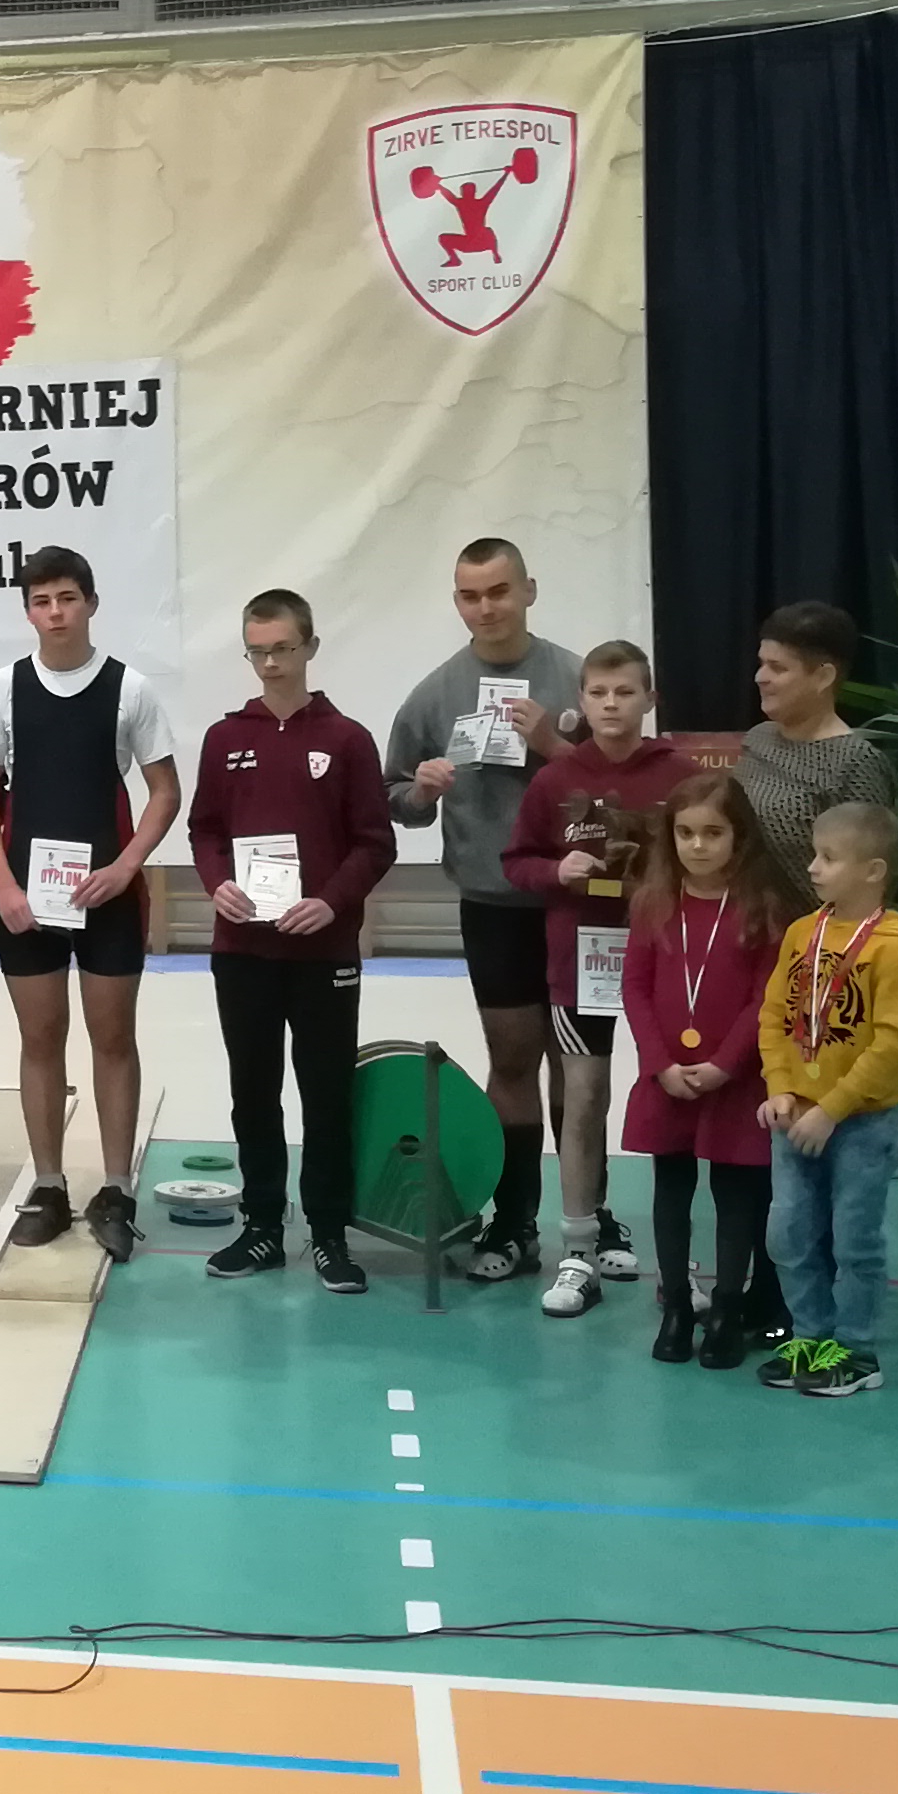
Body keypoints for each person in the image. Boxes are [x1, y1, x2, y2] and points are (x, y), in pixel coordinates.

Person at [0, 546, 182, 1259]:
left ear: (90, 602)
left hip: (107, 896)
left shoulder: (130, 689)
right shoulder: (2, 688)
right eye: (41, 601)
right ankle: (50, 1185)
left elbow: (165, 792)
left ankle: (116, 1188)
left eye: (66, 598)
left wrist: (126, 866)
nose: (55, 613)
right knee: (40, 1039)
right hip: (27, 901)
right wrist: (3, 885)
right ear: (27, 611)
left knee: (113, 1039)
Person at [382, 537, 589, 1284]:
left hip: (578, 903)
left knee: (581, 1067)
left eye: (499, 591)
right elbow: (392, 796)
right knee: (512, 1061)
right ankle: (515, 1220)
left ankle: (590, 1219)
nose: (486, 607)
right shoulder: (435, 693)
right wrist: (421, 791)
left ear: (528, 590)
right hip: (493, 904)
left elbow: (626, 782)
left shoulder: (577, 678)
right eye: (470, 596)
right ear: (457, 602)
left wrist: (554, 747)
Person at [184, 589, 396, 1287]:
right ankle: (263, 1227)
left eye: (282, 648)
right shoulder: (224, 739)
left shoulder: (347, 739)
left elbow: (376, 842)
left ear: (310, 647)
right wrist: (217, 882)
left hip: (322, 952)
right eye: (258, 651)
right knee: (253, 1093)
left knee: (326, 1094)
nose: (271, 663)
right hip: (242, 950)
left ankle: (329, 1233)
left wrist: (330, 903)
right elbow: (205, 830)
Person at [497, 640, 697, 1318]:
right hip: (581, 964)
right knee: (582, 1097)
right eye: (599, 693)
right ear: (581, 701)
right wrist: (557, 871)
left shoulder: (681, 775)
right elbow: (517, 861)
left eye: (625, 692)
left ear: (650, 699)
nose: (612, 705)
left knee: (674, 1096)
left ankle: (679, 1262)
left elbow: (715, 857)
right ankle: (578, 1252)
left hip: (666, 963)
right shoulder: (555, 780)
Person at [755, 800, 898, 1398]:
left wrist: (833, 1108)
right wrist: (780, 1088)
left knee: (855, 1240)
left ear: (873, 871)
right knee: (789, 1235)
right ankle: (810, 1338)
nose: (813, 868)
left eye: (828, 858)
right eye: (815, 854)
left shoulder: (897, 948)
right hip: (796, 1118)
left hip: (861, 1121)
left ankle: (856, 1351)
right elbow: (775, 1016)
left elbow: (896, 1043)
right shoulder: (802, 934)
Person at [622, 770, 796, 1370]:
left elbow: (766, 997)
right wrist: (659, 1063)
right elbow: (635, 989)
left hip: (735, 1080)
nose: (697, 845)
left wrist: (725, 1064)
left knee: (736, 1195)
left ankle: (726, 1309)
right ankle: (676, 1307)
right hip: (668, 1077)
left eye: (713, 833)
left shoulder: (761, 909)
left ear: (738, 837)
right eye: (685, 833)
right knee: (671, 1190)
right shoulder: (653, 904)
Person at [736, 601, 896, 868]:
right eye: (761, 664)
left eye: (777, 667)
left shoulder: (856, 765)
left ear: (823, 677)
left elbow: (863, 876)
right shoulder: (758, 738)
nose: (760, 677)